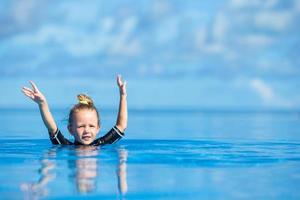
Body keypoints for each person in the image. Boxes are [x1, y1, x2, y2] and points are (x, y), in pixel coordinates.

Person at [21, 75, 127, 146]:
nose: (87, 130)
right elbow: (52, 128)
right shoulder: (66, 146)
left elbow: (121, 126)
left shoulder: (100, 144)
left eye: (91, 126)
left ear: (98, 128)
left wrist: (123, 96)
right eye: (81, 126)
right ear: (70, 129)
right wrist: (42, 104)